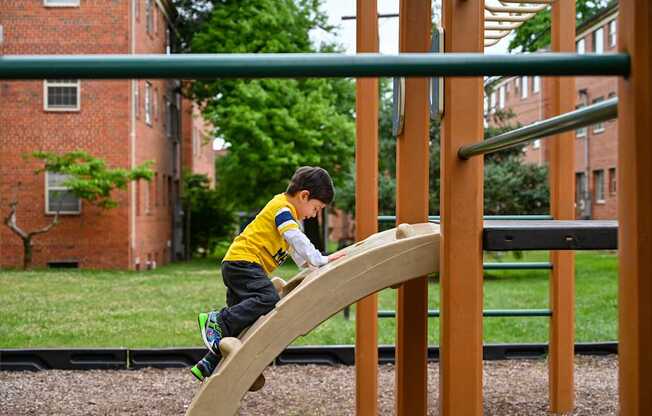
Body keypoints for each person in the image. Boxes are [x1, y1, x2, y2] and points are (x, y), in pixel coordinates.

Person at [190, 166, 346, 381]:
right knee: (267, 298)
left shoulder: (286, 215)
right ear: (304, 196)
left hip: (238, 264)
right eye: (316, 208)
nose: (314, 214)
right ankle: (217, 320)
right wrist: (320, 258)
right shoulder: (282, 209)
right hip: (244, 263)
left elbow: (295, 251)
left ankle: (209, 363)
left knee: (243, 321)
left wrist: (312, 266)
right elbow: (297, 239)